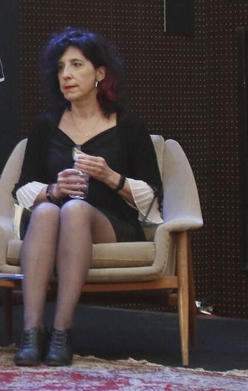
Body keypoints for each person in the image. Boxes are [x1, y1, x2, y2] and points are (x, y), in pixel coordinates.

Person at [11, 28, 163, 366]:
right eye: (61, 67)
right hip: (52, 222)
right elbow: (21, 189)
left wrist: (110, 176)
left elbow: (153, 196)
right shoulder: (46, 126)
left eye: (77, 65)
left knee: (76, 210)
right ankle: (32, 332)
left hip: (109, 221)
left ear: (100, 73)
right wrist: (53, 190)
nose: (66, 74)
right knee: (50, 211)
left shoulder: (128, 126)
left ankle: (62, 331)